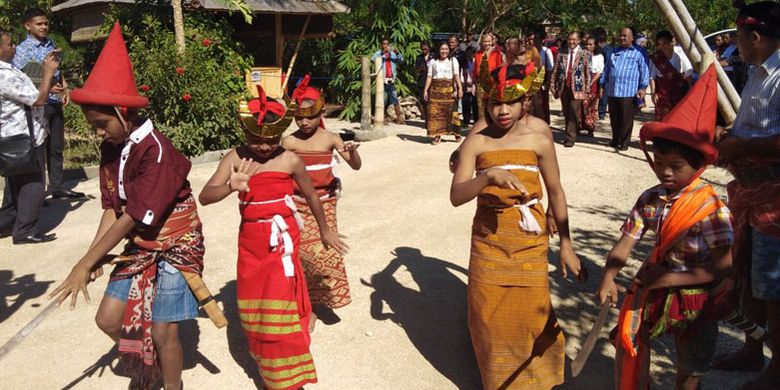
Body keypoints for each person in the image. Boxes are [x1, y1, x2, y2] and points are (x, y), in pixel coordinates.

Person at [48, 24, 204, 390]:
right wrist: (93, 258)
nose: (98, 133)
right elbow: (112, 209)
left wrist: (84, 263)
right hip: (140, 241)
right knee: (108, 319)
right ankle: (146, 367)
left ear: (123, 113)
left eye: (102, 125)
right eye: (94, 127)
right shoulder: (111, 150)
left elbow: (135, 215)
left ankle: (172, 385)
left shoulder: (157, 152)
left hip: (175, 245)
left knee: (165, 334)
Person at [199, 84, 347, 390]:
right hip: (251, 247)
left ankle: (286, 380)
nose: (264, 147)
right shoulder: (236, 158)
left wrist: (325, 229)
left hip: (283, 247)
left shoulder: (290, 160)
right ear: (245, 133)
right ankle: (268, 367)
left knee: (282, 310)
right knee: (259, 313)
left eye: (270, 140)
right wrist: (231, 186)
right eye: (256, 140)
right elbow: (205, 196)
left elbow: (312, 196)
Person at [450, 64, 585, 389]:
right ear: (485, 103)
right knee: (489, 316)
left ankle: (537, 380)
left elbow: (556, 191)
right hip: (488, 242)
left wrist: (566, 245)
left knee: (530, 314)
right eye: (495, 102)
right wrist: (486, 178)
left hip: (529, 241)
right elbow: (456, 196)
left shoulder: (539, 140)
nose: (502, 110)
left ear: (525, 101)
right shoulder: (476, 144)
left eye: (511, 102)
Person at [598, 65, 732, 390]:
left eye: (675, 167)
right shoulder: (651, 199)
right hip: (659, 285)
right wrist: (608, 277)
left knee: (690, 364)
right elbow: (625, 243)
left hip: (698, 295)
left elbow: (725, 266)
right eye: (659, 165)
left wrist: (669, 278)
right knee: (632, 337)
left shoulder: (710, 208)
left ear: (698, 165)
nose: (665, 174)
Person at [714, 3, 780, 388]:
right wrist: (732, 135)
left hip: (775, 196)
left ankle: (778, 366)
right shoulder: (758, 72)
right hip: (751, 192)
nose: (734, 44)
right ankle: (752, 350)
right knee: (750, 276)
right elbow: (755, 125)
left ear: (754, 37)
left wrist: (742, 147)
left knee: (773, 284)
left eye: (738, 37)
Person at [282, 75, 361, 332]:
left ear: (321, 112)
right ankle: (308, 307)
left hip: (325, 203)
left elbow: (355, 165)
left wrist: (353, 151)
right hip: (296, 205)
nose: (304, 122)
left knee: (325, 254)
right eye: (299, 117)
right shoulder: (289, 142)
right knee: (299, 255)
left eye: (310, 116)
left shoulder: (331, 138)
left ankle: (319, 300)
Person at [12, 8, 85, 200]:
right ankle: (37, 193)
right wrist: (46, 85)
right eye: (39, 24)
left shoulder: (50, 44)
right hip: (37, 104)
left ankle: (57, 187)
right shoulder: (21, 50)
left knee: (56, 147)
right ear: (28, 26)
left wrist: (65, 88)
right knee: (39, 148)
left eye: (45, 23)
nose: (44, 27)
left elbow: (57, 69)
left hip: (55, 103)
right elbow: (22, 78)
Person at [0, 29, 59, 244]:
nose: (13, 47)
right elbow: (38, 100)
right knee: (33, 185)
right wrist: (47, 73)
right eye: (9, 44)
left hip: (14, 136)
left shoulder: (9, 70)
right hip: (24, 137)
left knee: (16, 186)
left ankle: (6, 224)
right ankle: (25, 230)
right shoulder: (4, 74)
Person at [601, 27, 649, 151]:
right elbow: (607, 69)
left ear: (632, 38)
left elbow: (644, 70)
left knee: (626, 119)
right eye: (621, 35)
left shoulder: (639, 52)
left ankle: (624, 142)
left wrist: (643, 87)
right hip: (613, 90)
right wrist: (602, 84)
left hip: (629, 91)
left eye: (625, 36)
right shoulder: (614, 51)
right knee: (614, 118)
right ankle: (615, 139)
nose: (622, 38)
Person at [552, 32, 592, 147]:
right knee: (566, 111)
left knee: (574, 111)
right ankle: (569, 131)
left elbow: (588, 72)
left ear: (579, 40)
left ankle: (570, 137)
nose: (571, 42)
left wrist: (587, 88)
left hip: (578, 88)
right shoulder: (562, 53)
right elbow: (556, 70)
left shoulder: (585, 53)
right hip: (564, 87)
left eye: (574, 40)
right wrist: (553, 85)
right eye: (569, 39)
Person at [424, 42, 463, 145]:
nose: (444, 51)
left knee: (452, 113)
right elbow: (429, 77)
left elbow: (456, 75)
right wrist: (425, 90)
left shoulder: (453, 60)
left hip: (449, 91)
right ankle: (437, 136)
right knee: (435, 114)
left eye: (446, 49)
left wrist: (459, 88)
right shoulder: (433, 61)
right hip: (435, 91)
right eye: (442, 49)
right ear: (438, 50)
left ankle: (456, 133)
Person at [649, 30, 693, 122]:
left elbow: (688, 73)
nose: (662, 47)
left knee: (678, 118)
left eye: (665, 43)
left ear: (671, 42)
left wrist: (689, 91)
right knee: (662, 120)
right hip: (662, 92)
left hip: (679, 91)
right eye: (659, 44)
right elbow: (652, 76)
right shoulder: (656, 57)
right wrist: (653, 93)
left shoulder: (680, 53)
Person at [372, 38, 404, 125]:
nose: (385, 46)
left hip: (391, 79)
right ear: (381, 45)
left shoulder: (393, 54)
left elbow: (401, 61)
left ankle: (399, 118)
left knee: (395, 98)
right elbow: (373, 60)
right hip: (381, 80)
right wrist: (382, 55)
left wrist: (397, 53)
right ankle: (382, 118)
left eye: (387, 44)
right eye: (384, 44)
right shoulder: (378, 53)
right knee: (383, 99)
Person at [473, 33, 505, 117]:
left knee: (492, 104)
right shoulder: (478, 54)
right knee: (481, 106)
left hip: (492, 84)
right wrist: (474, 85)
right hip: (481, 84)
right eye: (485, 41)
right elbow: (475, 70)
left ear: (492, 42)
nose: (487, 43)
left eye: (488, 41)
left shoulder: (497, 53)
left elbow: (499, 69)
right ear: (482, 42)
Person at [527, 32, 555, 124]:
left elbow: (550, 68)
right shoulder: (528, 52)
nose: (533, 42)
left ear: (541, 40)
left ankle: (545, 122)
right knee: (532, 103)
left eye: (535, 39)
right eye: (531, 40)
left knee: (543, 102)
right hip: (531, 81)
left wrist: (548, 82)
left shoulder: (547, 51)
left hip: (543, 80)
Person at [581, 37, 604, 136]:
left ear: (595, 46)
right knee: (581, 105)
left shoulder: (599, 57)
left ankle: (590, 128)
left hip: (593, 83)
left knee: (591, 107)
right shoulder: (582, 55)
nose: (588, 46)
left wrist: (590, 82)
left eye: (591, 44)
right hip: (582, 82)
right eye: (587, 44)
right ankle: (580, 126)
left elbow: (599, 72)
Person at [592, 27, 613, 120]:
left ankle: (601, 112)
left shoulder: (606, 49)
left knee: (603, 93)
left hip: (603, 74)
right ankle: (600, 111)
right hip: (600, 73)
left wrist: (602, 78)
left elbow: (607, 64)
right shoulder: (608, 48)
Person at [415, 40, 432, 121]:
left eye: (425, 49)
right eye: (422, 49)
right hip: (422, 82)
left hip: (432, 83)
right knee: (424, 102)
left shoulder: (433, 57)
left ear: (429, 48)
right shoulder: (419, 58)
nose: (424, 51)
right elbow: (415, 71)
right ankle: (426, 121)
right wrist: (420, 69)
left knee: (431, 103)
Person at [462, 46, 479, 126]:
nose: (470, 55)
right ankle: (466, 120)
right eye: (468, 53)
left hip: (475, 84)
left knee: (475, 103)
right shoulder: (463, 62)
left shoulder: (476, 61)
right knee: (466, 103)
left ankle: (476, 120)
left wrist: (474, 83)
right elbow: (462, 73)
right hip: (466, 84)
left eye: (471, 53)